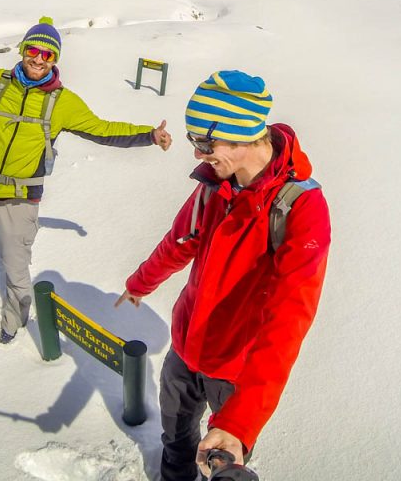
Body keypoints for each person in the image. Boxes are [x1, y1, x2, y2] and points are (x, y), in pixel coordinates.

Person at [0, 16, 173, 351]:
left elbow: (103, 130)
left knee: (18, 277)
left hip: (20, 202)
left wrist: (149, 136)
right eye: (32, 50)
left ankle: (13, 324)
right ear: (23, 50)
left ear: (55, 60)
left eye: (47, 54)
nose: (38, 59)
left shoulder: (63, 103)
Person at [116, 70, 330, 480]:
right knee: (176, 440)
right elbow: (181, 241)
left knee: (216, 449)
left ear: (240, 136)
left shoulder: (302, 208)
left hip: (234, 370)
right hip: (186, 347)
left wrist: (240, 422)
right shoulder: (217, 184)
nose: (198, 154)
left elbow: (288, 323)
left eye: (204, 142)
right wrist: (139, 283)